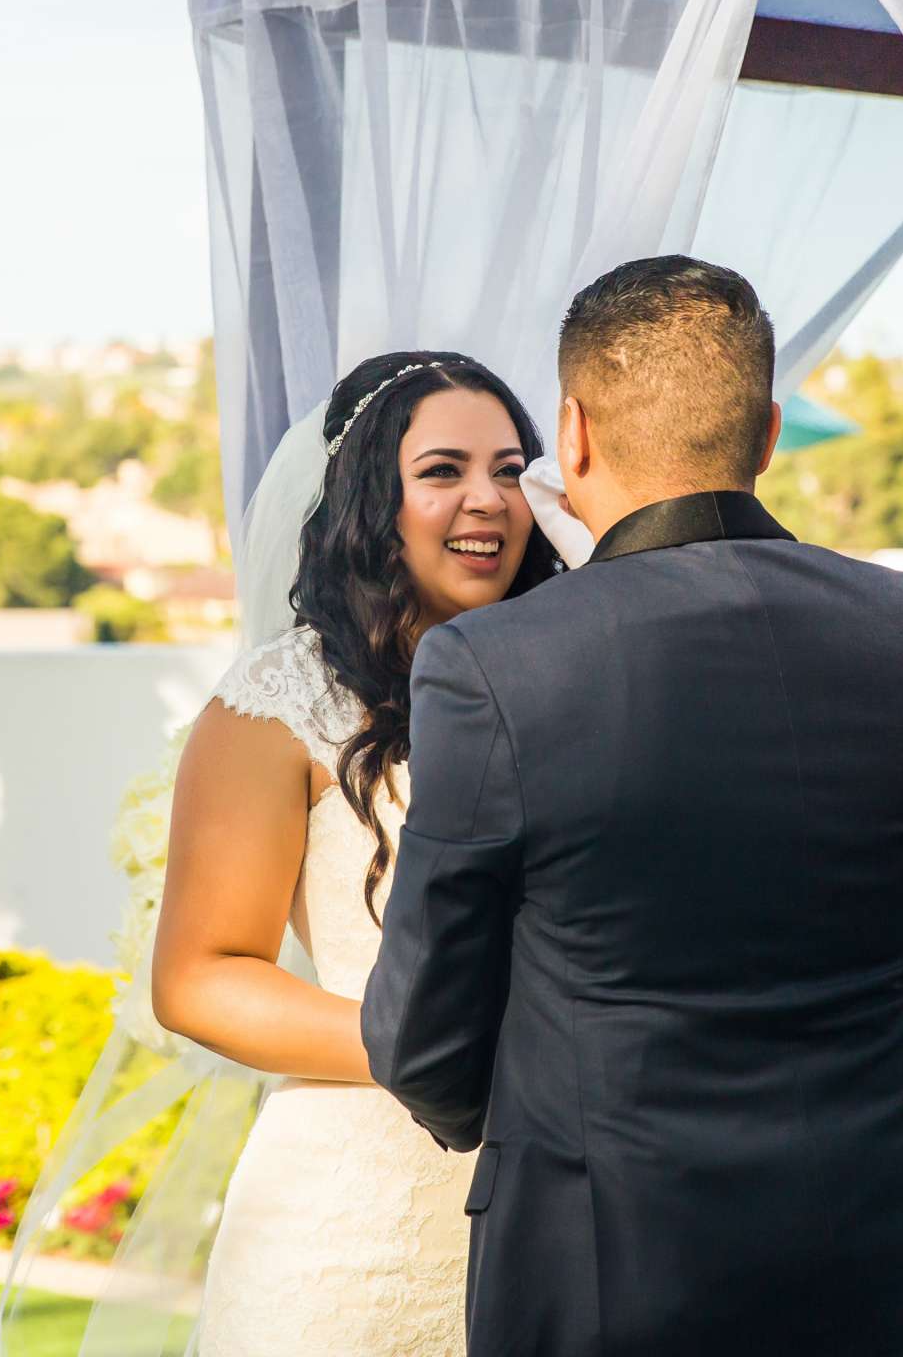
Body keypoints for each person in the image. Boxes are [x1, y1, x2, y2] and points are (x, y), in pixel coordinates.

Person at [363, 257, 903, 1357]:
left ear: (570, 436)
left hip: (617, 1267)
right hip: (901, 1257)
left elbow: (424, 1035)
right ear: (768, 433)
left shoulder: (495, 663)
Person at [145, 352, 560, 1356]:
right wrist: (444, 1050)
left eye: (511, 470)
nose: (487, 500)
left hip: (565, 1204)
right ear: (374, 497)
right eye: (444, 470)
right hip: (353, 1225)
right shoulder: (282, 703)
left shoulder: (579, 667)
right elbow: (200, 976)